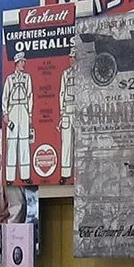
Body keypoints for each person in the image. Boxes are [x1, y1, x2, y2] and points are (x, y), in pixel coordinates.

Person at [2, 53, 33, 183]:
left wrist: (30, 114)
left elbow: (30, 95)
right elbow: (5, 96)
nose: (23, 64)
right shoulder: (10, 79)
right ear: (16, 63)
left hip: (24, 109)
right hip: (13, 109)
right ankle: (10, 177)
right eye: (21, 62)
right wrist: (5, 113)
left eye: (24, 62)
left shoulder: (27, 78)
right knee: (12, 143)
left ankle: (25, 176)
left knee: (24, 143)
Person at [58, 43, 77, 181]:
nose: (71, 60)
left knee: (79, 143)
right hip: (67, 110)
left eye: (73, 58)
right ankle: (65, 174)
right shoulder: (65, 74)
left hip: (78, 111)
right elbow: (61, 93)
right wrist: (61, 111)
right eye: (70, 57)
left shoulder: (82, 74)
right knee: (66, 143)